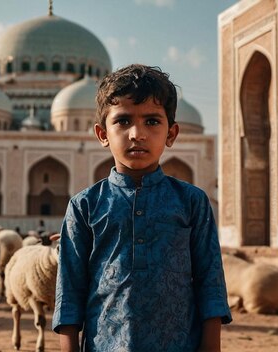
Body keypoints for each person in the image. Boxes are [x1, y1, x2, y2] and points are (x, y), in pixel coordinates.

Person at [52, 64, 231, 351]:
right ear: (102, 134)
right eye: (123, 121)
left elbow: (210, 283)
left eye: (152, 122)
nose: (137, 133)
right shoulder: (85, 205)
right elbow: (69, 292)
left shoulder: (191, 202)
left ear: (171, 134)